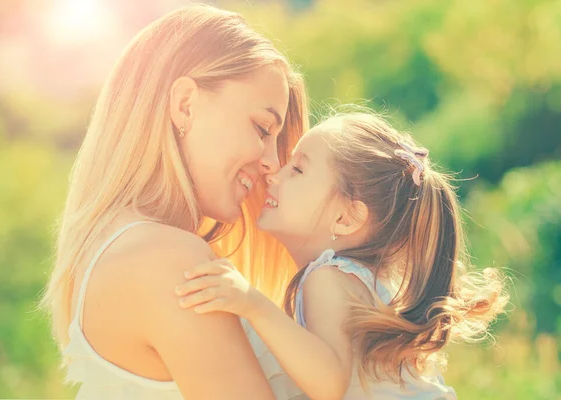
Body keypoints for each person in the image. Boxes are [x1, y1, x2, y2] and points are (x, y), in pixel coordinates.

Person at [41, 4, 308, 399]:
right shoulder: (169, 259)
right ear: (185, 104)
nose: (272, 162)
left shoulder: (121, 249)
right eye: (262, 128)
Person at [177, 112, 509, 399]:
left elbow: (328, 383)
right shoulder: (358, 280)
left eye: (298, 170)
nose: (274, 174)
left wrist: (251, 302)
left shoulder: (327, 278)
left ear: (346, 218)